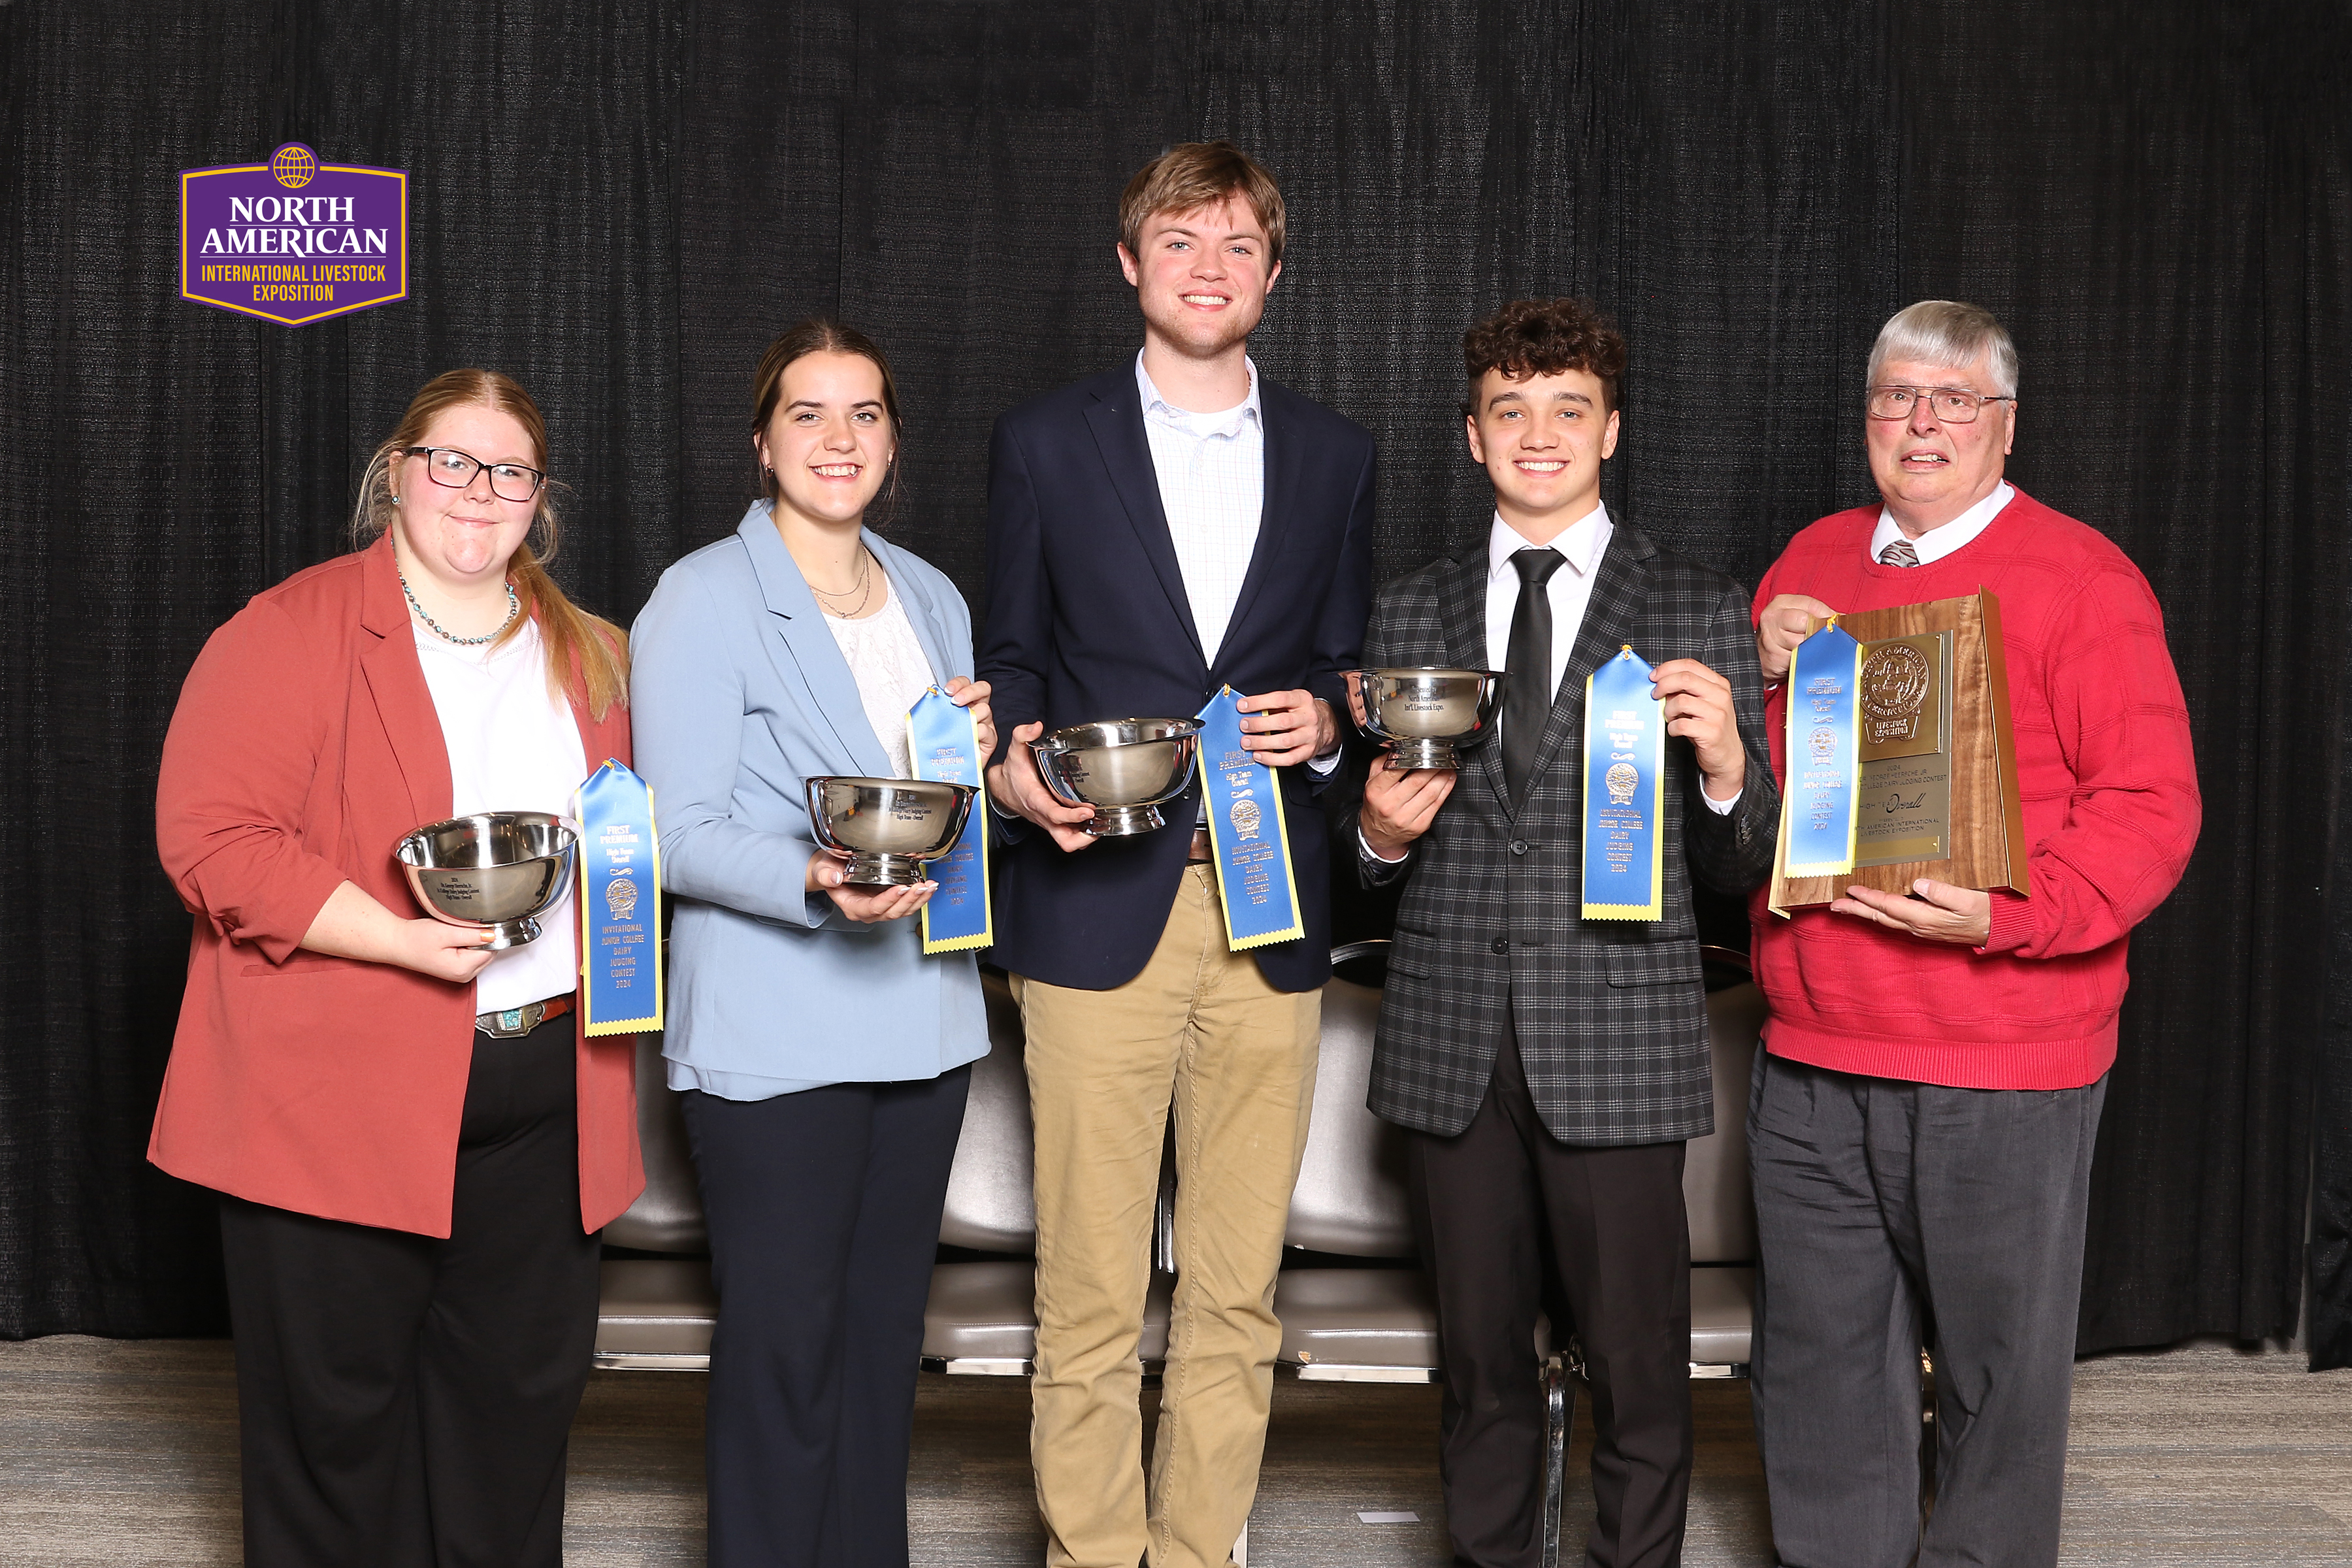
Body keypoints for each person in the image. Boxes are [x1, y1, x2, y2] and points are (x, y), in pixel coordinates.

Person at [151, 370, 642, 1567]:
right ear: (397, 472)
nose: (479, 492)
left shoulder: (593, 652)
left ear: (542, 497)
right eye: (452, 463)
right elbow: (209, 842)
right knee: (336, 1437)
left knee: (513, 1430)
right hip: (335, 1094)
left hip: (545, 1095)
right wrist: (400, 938)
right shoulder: (287, 629)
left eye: (510, 470)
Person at [1746, 300, 2201, 1568]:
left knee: (2001, 1386)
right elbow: (1756, 795)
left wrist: (2011, 918)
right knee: (1822, 1378)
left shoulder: (2086, 577)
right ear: (1869, 419)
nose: (1922, 422)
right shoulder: (1814, 563)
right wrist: (1755, 662)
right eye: (1898, 397)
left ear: (2006, 424)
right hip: (1817, 1048)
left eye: (1954, 400)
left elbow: (2153, 809)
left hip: (2002, 1058)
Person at [976, 141, 1375, 1568]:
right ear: (1131, 262)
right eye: (1180, 241)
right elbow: (1011, 653)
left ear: (1274, 273)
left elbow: (1342, 666)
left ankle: (1200, 1552)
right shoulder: (1043, 440)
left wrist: (1327, 719)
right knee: (1086, 1286)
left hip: (1269, 915)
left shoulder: (1336, 452)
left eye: (1239, 246)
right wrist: (1018, 768)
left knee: (1234, 1290)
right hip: (1092, 905)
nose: (1210, 268)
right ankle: (1094, 1552)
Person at [1345, 298, 1778, 1568]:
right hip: (1452, 1051)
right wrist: (1374, 832)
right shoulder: (1410, 613)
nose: (1540, 435)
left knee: (1639, 1383)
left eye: (1568, 409)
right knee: (1480, 1375)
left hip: (1621, 1050)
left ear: (1613, 429)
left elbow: (1738, 866)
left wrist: (1726, 768)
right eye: (1511, 410)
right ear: (1473, 436)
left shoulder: (1696, 604)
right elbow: (1367, 884)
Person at [629, 319, 995, 1568]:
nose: (838, 440)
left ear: (893, 439)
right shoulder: (701, 596)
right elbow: (675, 833)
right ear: (761, 439)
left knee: (885, 1348)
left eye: (864, 415)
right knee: (786, 1353)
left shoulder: (934, 595)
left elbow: (938, 807)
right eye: (808, 414)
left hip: (926, 1022)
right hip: (776, 1035)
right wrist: (814, 876)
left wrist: (985, 765)